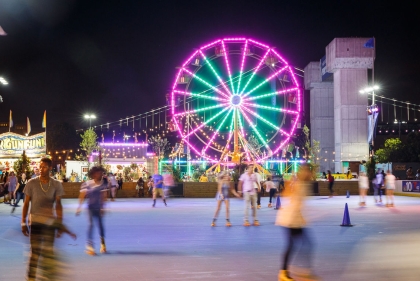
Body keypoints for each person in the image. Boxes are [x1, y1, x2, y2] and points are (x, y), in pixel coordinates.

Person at [21, 157, 65, 281]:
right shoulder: (31, 183)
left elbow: (59, 205)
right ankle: (31, 278)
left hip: (49, 224)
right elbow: (26, 204)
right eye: (40, 167)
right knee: (35, 253)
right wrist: (23, 222)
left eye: (44, 167)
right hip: (35, 222)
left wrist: (60, 223)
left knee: (49, 253)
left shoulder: (56, 184)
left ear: (50, 168)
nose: (41, 169)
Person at [276, 163, 317, 281]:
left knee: (303, 244)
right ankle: (286, 272)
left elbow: (296, 201)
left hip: (294, 219)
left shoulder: (302, 184)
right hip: (290, 219)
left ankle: (292, 270)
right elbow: (290, 198)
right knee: (297, 244)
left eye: (308, 171)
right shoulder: (299, 184)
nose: (307, 173)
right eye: (304, 170)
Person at [76, 166, 110, 255]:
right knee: (91, 225)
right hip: (90, 208)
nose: (100, 174)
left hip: (98, 208)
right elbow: (82, 195)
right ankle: (89, 246)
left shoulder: (103, 184)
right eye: (98, 173)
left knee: (100, 225)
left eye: (101, 173)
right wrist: (79, 207)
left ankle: (102, 244)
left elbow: (104, 196)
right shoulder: (87, 184)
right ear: (93, 174)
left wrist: (103, 207)